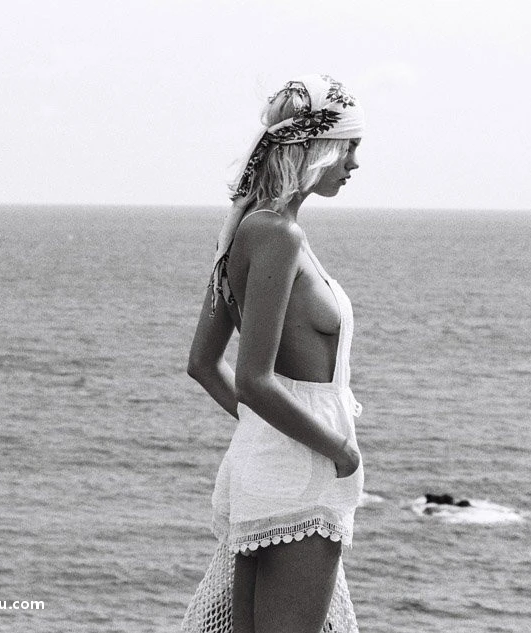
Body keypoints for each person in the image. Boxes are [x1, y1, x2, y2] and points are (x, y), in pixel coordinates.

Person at [182, 74, 366, 633]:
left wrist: (265, 432)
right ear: (317, 148)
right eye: (348, 148)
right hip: (301, 474)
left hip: (268, 466)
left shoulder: (246, 228)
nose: (354, 164)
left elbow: (203, 364)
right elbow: (254, 380)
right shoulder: (278, 236)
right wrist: (341, 451)